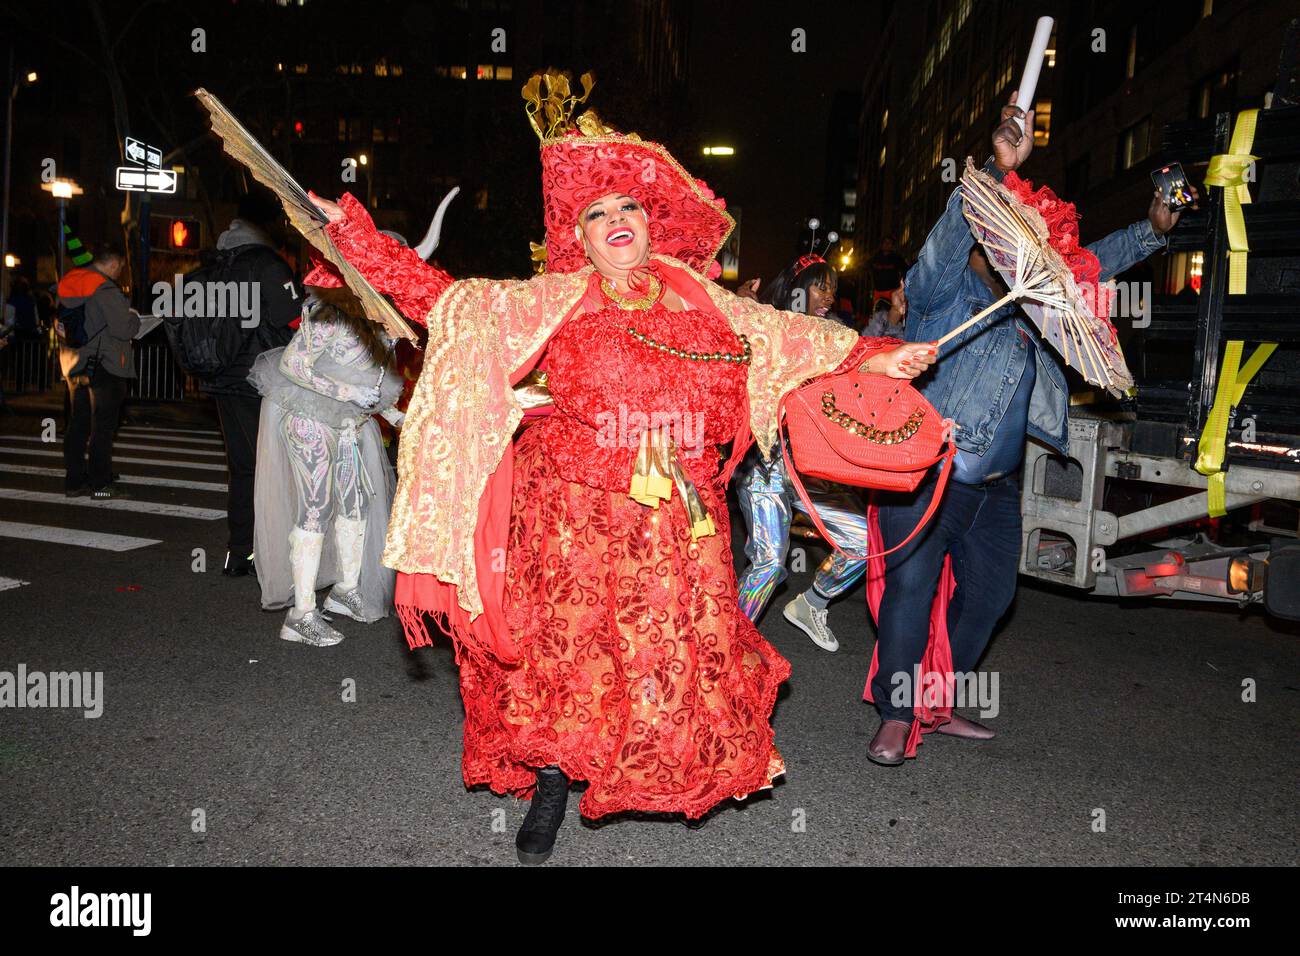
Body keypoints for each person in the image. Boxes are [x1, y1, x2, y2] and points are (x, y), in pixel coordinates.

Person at [291, 72, 934, 865]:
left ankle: (637, 766)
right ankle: (555, 779)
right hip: (571, 512)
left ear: (649, 224)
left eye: (628, 206)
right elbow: (442, 299)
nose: (616, 219)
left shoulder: (700, 299)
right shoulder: (558, 299)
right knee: (568, 653)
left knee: (666, 654)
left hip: (677, 515)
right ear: (580, 240)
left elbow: (795, 341)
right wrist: (352, 235)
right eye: (597, 214)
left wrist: (883, 353)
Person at [865, 94, 1187, 765]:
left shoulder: (1040, 309)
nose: (1018, 248)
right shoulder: (940, 295)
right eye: (1007, 233)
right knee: (911, 591)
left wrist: (1153, 230)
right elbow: (945, 241)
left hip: (998, 491)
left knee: (990, 597)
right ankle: (896, 714)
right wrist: (991, 170)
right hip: (929, 475)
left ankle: (935, 699)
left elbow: (1089, 267)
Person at [734, 253, 899, 653]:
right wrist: (741, 307)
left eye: (833, 288)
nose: (828, 295)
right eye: (820, 285)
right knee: (771, 564)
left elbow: (870, 369)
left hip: (811, 468)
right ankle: (727, 646)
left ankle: (812, 603)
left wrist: (894, 323)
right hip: (765, 465)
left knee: (865, 540)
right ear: (796, 287)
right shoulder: (764, 325)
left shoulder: (834, 337)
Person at [249, 279, 404, 646]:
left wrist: (393, 414)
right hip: (309, 417)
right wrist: (349, 392)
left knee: (355, 504)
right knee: (316, 508)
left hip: (349, 423)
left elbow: (369, 378)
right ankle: (301, 614)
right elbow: (292, 364)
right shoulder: (328, 313)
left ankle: (345, 590)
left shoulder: (379, 318)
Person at [202, 190, 300, 577]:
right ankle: (277, 551)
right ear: (266, 224)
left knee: (242, 466)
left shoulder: (218, 263)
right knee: (276, 465)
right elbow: (292, 321)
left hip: (223, 375)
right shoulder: (267, 264)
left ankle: (240, 551)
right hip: (262, 377)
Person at [56, 243, 138, 499]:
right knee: (103, 426)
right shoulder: (104, 288)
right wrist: (134, 317)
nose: (119, 272)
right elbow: (123, 329)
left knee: (78, 423)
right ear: (113, 264)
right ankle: (100, 485)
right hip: (104, 364)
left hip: (74, 362)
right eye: (120, 268)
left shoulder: (71, 281)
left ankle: (74, 481)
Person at [868, 235, 908, 308]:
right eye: (885, 242)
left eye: (889, 243)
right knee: (877, 312)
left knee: (892, 311)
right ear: (882, 244)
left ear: (892, 245)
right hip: (878, 290)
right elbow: (867, 267)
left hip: (892, 290)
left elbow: (906, 269)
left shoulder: (897, 258)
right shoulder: (875, 257)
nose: (887, 244)